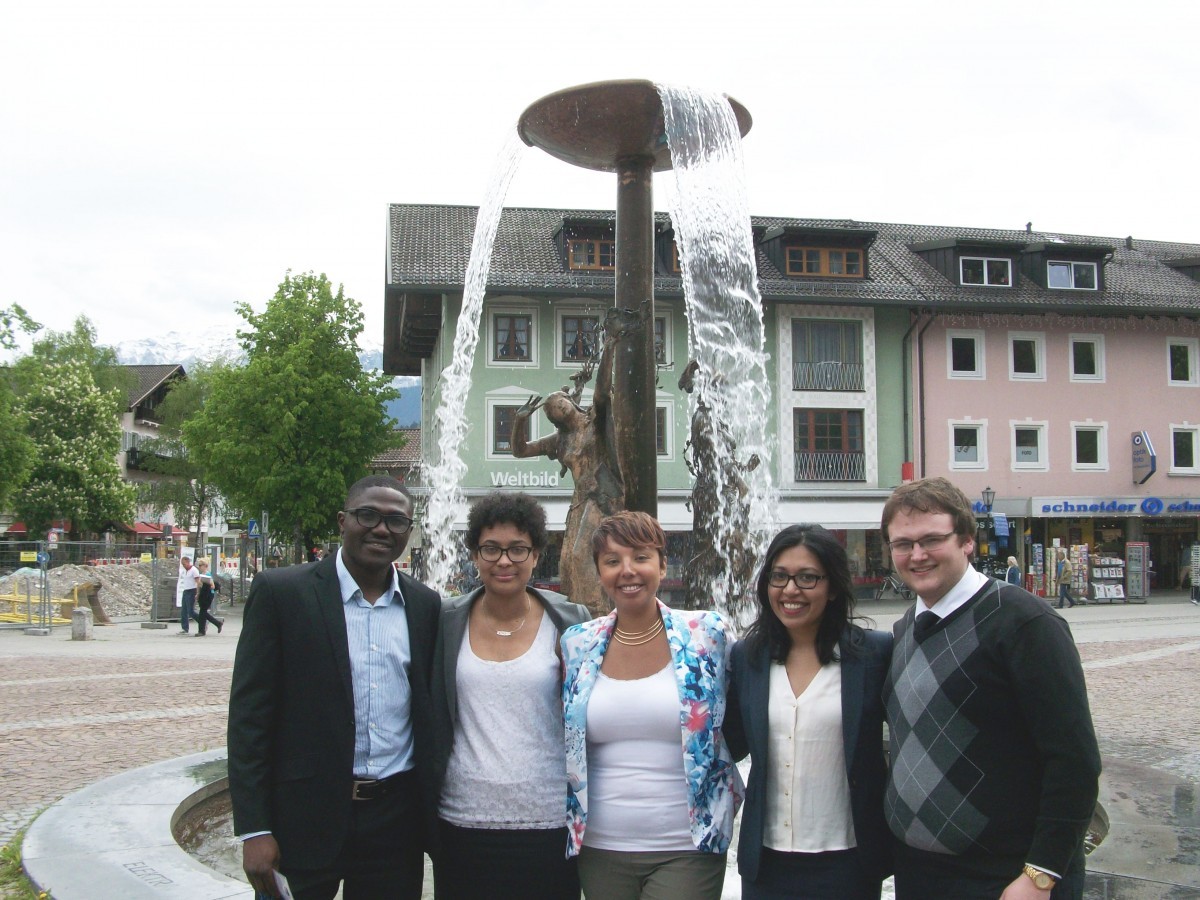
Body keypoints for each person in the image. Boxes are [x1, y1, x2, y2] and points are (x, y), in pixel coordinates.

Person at [881, 477, 1100, 900]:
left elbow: (1074, 760)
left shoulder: (1024, 622)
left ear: (966, 541)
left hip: (1008, 877)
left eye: (931, 539)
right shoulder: (906, 627)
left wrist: (1041, 873)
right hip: (921, 873)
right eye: (903, 544)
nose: (917, 554)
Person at [227, 475, 440, 900]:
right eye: (368, 516)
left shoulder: (424, 605)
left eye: (396, 521)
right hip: (303, 817)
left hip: (394, 824)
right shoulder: (282, 593)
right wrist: (255, 829)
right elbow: (250, 719)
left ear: (408, 532)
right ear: (343, 521)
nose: (382, 529)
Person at [561, 511, 742, 900]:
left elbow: (741, 714)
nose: (628, 571)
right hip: (600, 845)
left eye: (641, 557)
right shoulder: (577, 644)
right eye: (612, 561)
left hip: (687, 845)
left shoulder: (706, 634)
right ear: (599, 571)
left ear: (662, 564)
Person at [431, 491, 590, 900]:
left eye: (518, 549)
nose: (504, 561)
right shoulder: (445, 622)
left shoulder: (570, 622)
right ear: (475, 555)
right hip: (463, 820)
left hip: (547, 821)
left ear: (536, 554)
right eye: (491, 549)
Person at [725, 524, 892, 899]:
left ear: (833, 587)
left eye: (807, 578)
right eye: (779, 576)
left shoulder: (874, 655)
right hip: (767, 863)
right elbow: (728, 743)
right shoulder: (748, 658)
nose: (790, 590)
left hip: (848, 861)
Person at [193, 557, 224, 636]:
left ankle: (202, 631)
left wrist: (210, 585)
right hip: (202, 595)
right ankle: (217, 623)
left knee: (202, 613)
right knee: (203, 613)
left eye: (200, 565)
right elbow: (198, 586)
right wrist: (197, 594)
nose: (199, 567)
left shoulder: (207, 574)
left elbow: (212, 585)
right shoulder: (201, 575)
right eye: (199, 565)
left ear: (205, 566)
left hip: (207, 595)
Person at [176, 553, 201, 634]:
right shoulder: (185, 571)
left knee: (191, 611)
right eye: (182, 564)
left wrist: (197, 593)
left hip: (192, 590)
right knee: (184, 610)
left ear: (188, 562)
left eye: (184, 564)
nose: (183, 565)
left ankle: (202, 621)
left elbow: (198, 582)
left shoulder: (194, 570)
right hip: (186, 590)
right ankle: (185, 628)